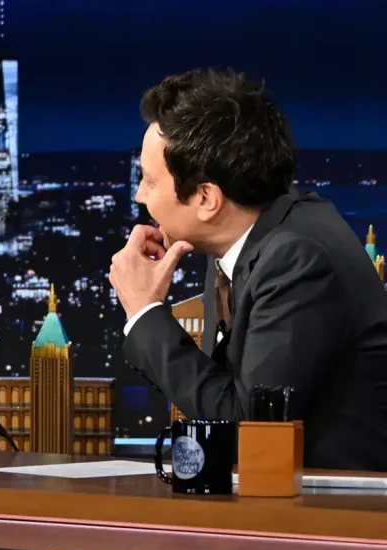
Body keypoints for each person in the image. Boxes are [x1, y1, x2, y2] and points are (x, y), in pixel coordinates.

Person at [109, 68, 387, 471]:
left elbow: (250, 432)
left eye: (150, 182)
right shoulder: (247, 241)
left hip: (340, 504)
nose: (139, 196)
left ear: (207, 199)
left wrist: (143, 312)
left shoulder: (298, 259)